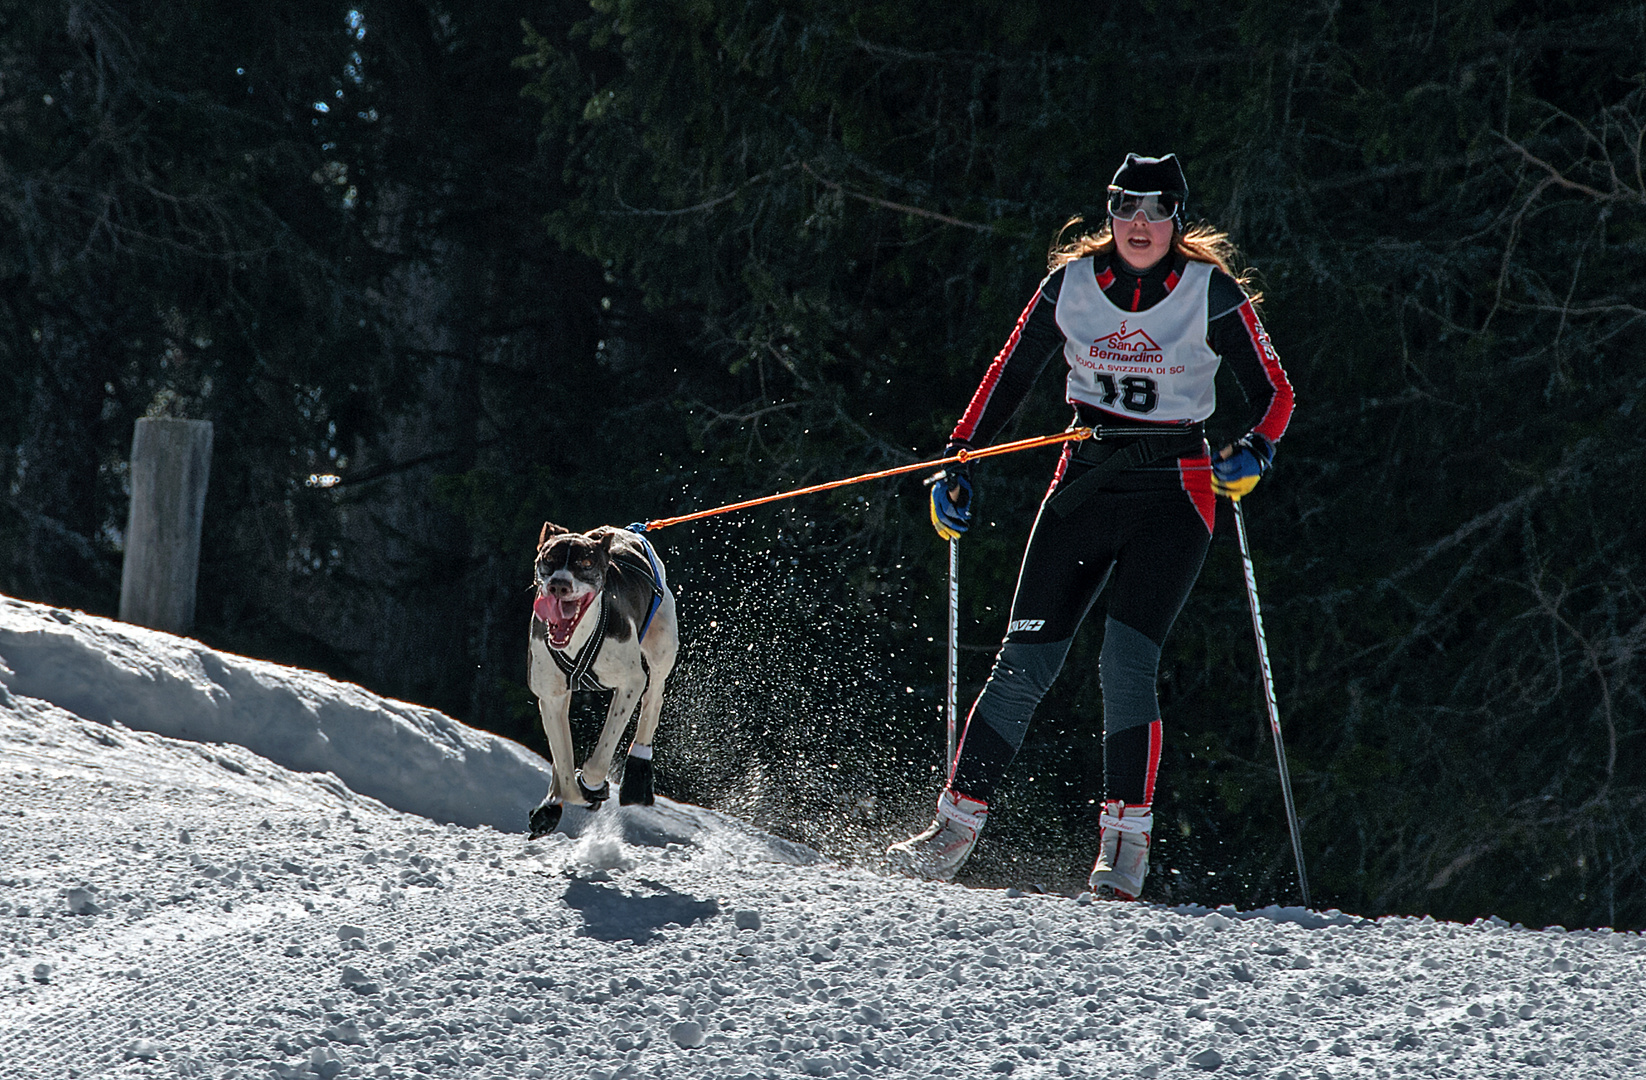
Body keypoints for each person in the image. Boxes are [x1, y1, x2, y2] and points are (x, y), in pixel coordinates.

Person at [887, 153, 1294, 899]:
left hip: (1177, 489)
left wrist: (1257, 451)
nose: (1140, 225)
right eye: (1126, 208)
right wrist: (956, 459)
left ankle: (1125, 843)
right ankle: (954, 827)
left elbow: (1276, 394)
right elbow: (1007, 376)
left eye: (1157, 210)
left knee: (1124, 660)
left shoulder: (1210, 292)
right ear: (1109, 216)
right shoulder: (1069, 287)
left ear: (1177, 219)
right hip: (1083, 484)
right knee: (1023, 661)